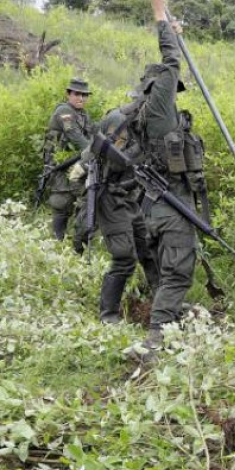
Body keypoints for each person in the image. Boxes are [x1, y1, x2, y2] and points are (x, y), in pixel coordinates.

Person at [125, 0, 198, 361]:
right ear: (159, 90)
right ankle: (154, 341)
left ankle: (167, 316)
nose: (175, 93)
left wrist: (177, 33)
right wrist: (161, 16)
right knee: (179, 272)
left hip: (151, 208)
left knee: (162, 269)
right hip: (170, 207)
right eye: (171, 89)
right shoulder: (157, 111)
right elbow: (171, 62)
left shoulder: (144, 114)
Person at [93, 86, 160, 323]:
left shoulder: (146, 128)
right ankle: (108, 314)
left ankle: (161, 304)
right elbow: (105, 158)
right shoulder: (118, 121)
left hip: (128, 195)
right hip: (109, 196)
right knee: (123, 256)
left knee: (148, 249)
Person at [41, 77, 95, 242]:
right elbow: (77, 139)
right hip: (59, 165)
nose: (81, 98)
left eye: (84, 95)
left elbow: (91, 137)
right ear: (68, 94)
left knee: (81, 197)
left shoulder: (82, 114)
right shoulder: (64, 112)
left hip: (75, 162)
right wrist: (95, 152)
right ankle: (58, 240)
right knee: (62, 202)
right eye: (77, 94)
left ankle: (74, 238)